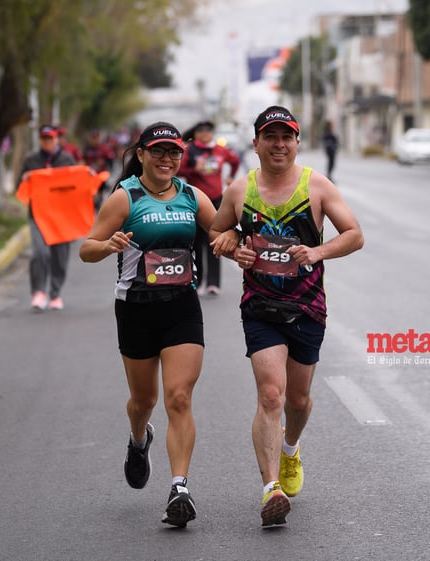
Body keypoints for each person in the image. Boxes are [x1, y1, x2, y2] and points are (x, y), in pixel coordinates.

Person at [209, 106, 364, 527]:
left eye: (287, 137)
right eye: (270, 137)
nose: (279, 145)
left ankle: (291, 448)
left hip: (307, 307)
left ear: (296, 142)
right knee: (271, 395)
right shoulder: (240, 190)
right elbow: (217, 231)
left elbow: (354, 235)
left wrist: (317, 251)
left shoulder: (317, 186)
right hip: (260, 306)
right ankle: (270, 488)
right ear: (256, 142)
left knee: (296, 399)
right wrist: (231, 245)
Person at [78, 121, 238, 528]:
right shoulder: (125, 197)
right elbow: (86, 249)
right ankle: (138, 438)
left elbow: (221, 231)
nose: (167, 160)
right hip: (136, 307)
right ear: (143, 154)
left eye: (174, 153)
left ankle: (179, 488)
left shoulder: (191, 195)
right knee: (143, 401)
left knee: (179, 397)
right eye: (159, 152)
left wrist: (238, 244)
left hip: (182, 305)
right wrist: (108, 244)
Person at [178, 120, 241, 296]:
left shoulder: (220, 150)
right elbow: (176, 170)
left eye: (209, 130)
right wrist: (193, 170)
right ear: (196, 133)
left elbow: (236, 161)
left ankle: (214, 283)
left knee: (216, 241)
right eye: (201, 130)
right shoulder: (189, 150)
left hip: (216, 200)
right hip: (195, 201)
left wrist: (231, 177)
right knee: (196, 241)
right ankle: (197, 282)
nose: (205, 133)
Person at [18, 124, 77, 310]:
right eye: (44, 138)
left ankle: (55, 293)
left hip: (62, 217)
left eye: (50, 138)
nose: (47, 142)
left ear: (57, 139)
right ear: (39, 140)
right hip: (38, 215)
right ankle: (38, 292)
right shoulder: (31, 161)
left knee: (60, 256)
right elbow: (19, 187)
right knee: (40, 253)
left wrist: (88, 175)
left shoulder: (67, 160)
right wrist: (25, 179)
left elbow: (77, 184)